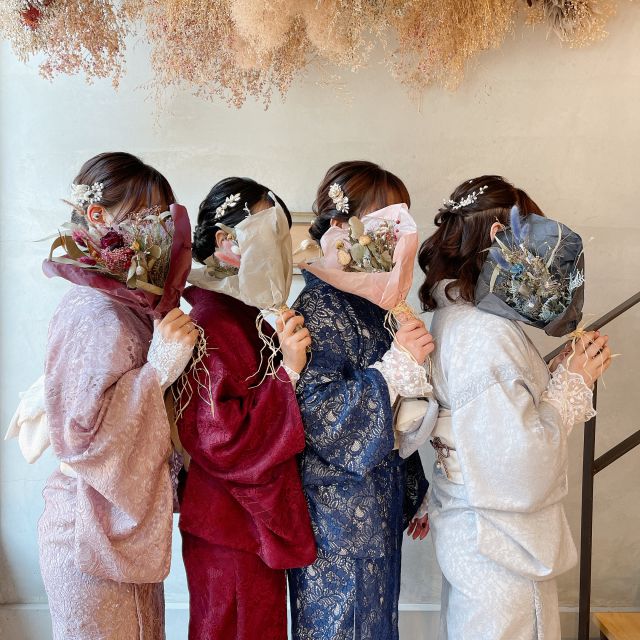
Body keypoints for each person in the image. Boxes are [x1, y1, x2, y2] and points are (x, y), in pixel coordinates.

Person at [418, 175, 612, 640]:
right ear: (498, 235)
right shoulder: (485, 333)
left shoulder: (456, 315)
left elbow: (494, 413)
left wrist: (551, 373)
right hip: (497, 538)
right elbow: (517, 460)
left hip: (475, 523)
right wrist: (573, 385)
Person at [38, 151, 198, 639]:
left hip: (110, 523)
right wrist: (159, 370)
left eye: (162, 218)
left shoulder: (122, 303)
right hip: (88, 529)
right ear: (96, 216)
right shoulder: (95, 310)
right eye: (145, 216)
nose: (157, 232)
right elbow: (82, 436)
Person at [289, 160, 432, 640]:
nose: (397, 232)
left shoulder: (376, 304)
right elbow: (317, 410)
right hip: (335, 511)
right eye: (387, 220)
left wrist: (414, 485)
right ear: (341, 224)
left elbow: (396, 409)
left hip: (377, 499)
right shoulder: (319, 305)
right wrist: (396, 365)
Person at [177, 177, 317, 640]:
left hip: (240, 519)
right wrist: (288, 372)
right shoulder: (212, 319)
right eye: (265, 233)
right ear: (224, 240)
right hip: (229, 520)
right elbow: (220, 438)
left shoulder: (242, 311)